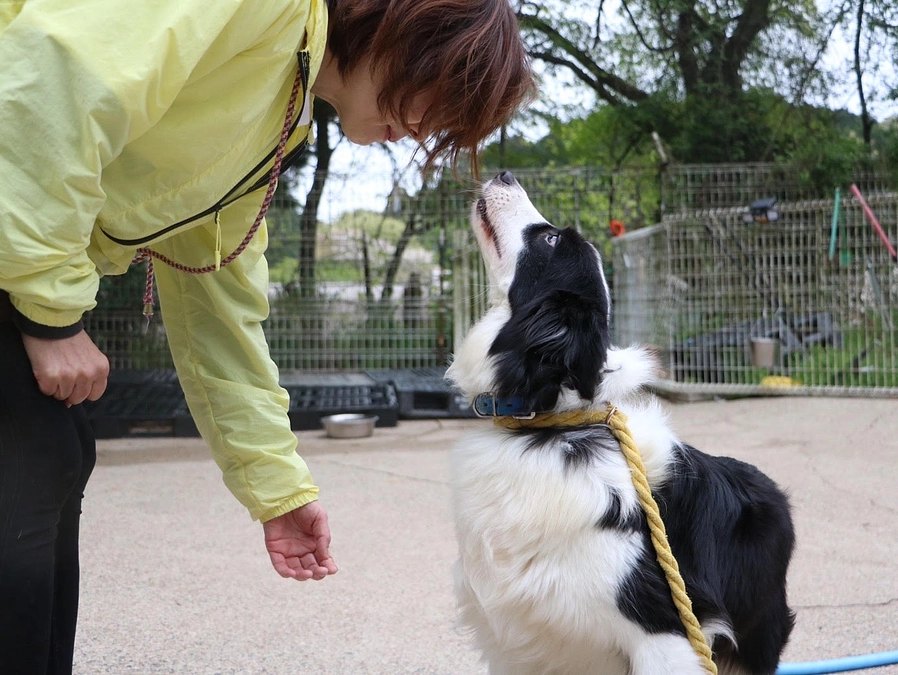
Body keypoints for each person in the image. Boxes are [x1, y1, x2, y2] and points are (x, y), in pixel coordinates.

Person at [0, 0, 535, 672]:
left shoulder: (278, 106)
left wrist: (276, 485)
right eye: (441, 96)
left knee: (58, 451)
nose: (424, 131)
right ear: (406, 31)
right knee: (28, 459)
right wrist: (50, 314)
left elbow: (214, 292)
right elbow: (49, 78)